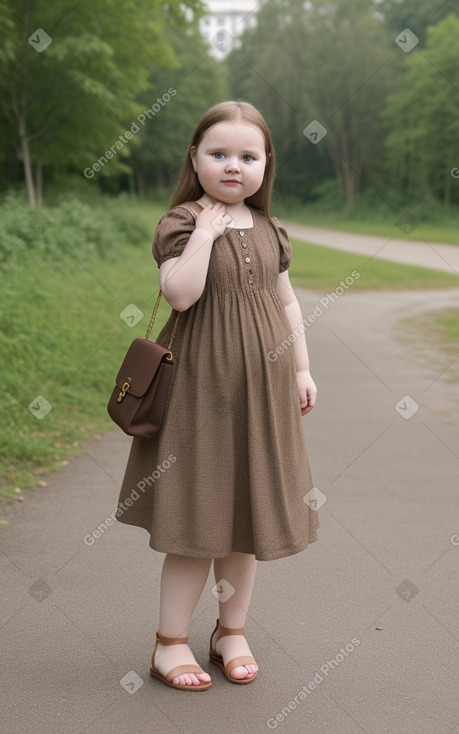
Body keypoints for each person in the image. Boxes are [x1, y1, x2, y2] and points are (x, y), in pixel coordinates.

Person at [116, 100, 320, 691]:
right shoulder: (180, 223)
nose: (234, 166)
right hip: (198, 394)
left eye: (248, 156)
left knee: (247, 519)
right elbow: (181, 294)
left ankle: (231, 631)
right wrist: (206, 232)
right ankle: (169, 643)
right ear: (195, 158)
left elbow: (287, 303)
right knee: (195, 518)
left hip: (264, 391)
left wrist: (302, 369)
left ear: (266, 165)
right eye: (219, 154)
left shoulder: (270, 229)